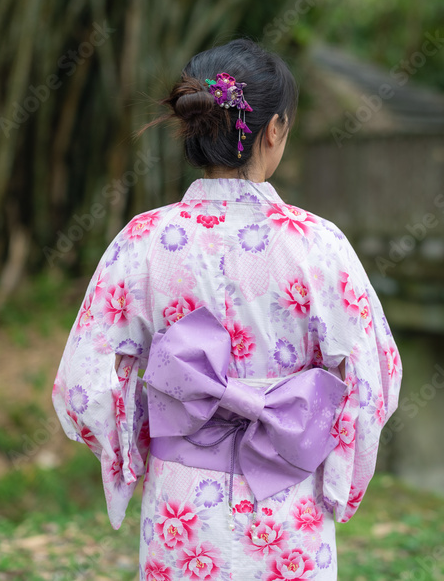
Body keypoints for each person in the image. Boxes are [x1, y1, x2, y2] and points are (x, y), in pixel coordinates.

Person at [52, 38, 402, 580]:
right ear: (274, 129)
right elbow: (372, 379)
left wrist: (142, 443)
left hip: (181, 504)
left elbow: (84, 383)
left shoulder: (143, 239)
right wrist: (339, 482)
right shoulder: (318, 244)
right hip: (287, 496)